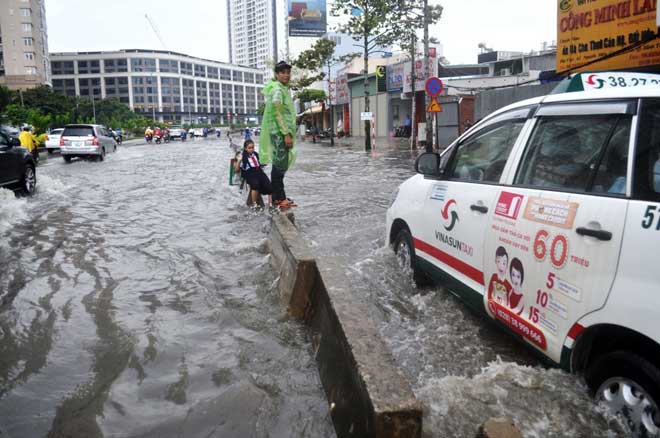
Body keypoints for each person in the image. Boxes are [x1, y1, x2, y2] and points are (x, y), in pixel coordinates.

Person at [260, 61, 297, 210]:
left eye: (288, 72)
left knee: (279, 165)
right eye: (283, 72)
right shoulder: (277, 90)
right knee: (280, 166)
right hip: (280, 133)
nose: (286, 75)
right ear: (276, 74)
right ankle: (279, 198)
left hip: (280, 132)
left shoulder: (281, 89)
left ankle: (277, 197)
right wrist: (285, 134)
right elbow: (277, 112)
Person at [235, 139, 272, 207]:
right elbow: (236, 170)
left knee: (270, 187)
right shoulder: (243, 157)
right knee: (255, 185)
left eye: (252, 147)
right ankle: (254, 204)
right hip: (250, 174)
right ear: (245, 148)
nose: (251, 149)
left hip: (259, 172)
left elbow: (260, 163)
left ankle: (271, 204)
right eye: (249, 148)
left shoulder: (255, 154)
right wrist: (239, 161)